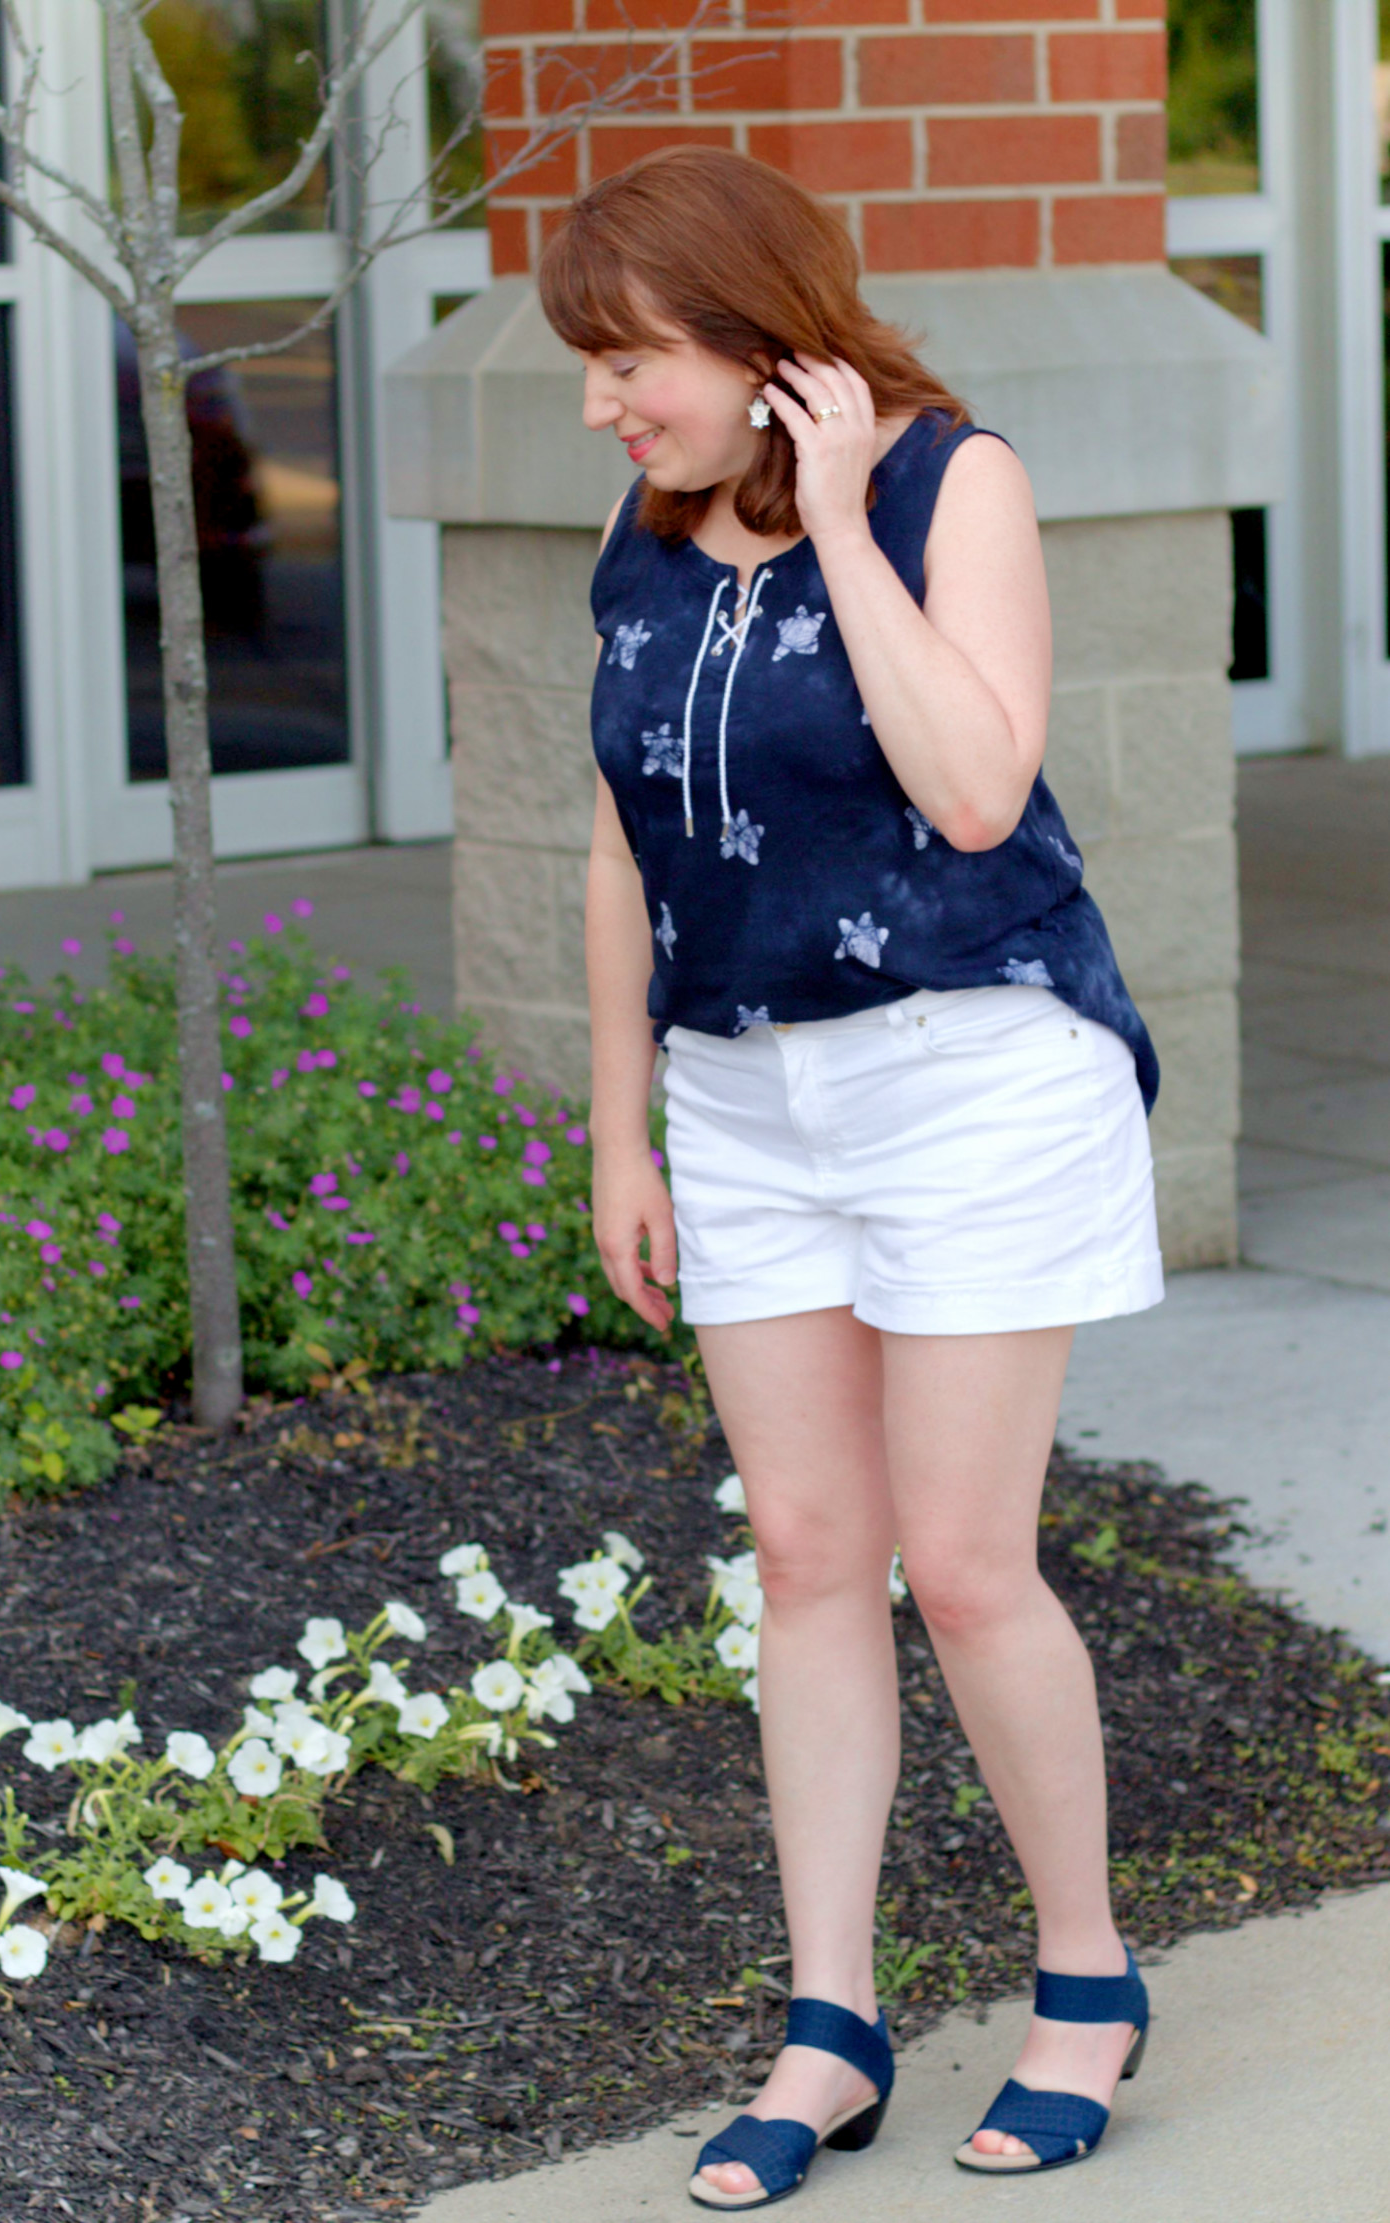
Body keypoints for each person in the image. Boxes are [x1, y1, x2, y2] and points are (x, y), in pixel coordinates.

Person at [538, 146, 1159, 2208]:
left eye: (631, 363)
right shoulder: (638, 536)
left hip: (968, 1066)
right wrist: (623, 1123)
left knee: (968, 1564)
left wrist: (838, 527)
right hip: (740, 1095)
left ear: (757, 333)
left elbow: (978, 787)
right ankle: (833, 2024)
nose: (608, 408)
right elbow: (626, 843)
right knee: (810, 1554)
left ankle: (1085, 1977)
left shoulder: (945, 481)